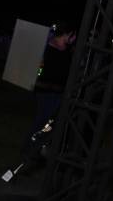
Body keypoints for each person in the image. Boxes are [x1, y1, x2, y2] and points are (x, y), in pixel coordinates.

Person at [22, 21, 76, 159]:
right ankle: (29, 148)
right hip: (45, 91)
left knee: (50, 122)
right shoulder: (48, 46)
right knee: (42, 120)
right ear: (68, 34)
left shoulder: (68, 50)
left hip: (58, 92)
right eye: (73, 36)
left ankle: (39, 147)